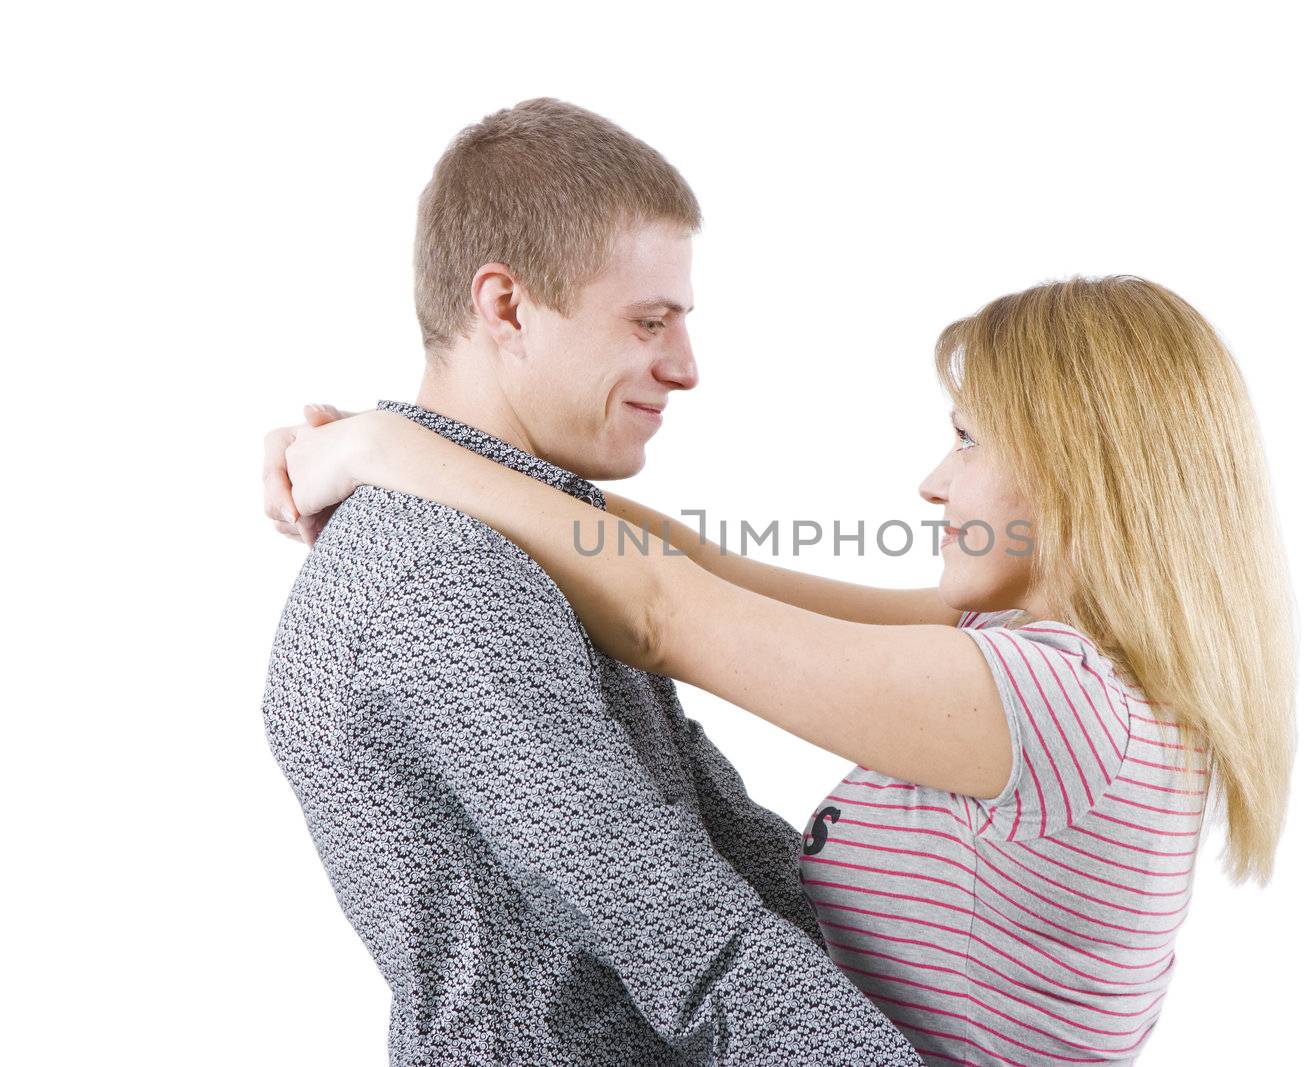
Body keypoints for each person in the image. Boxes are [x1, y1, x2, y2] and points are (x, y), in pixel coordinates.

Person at [263, 274, 1298, 1064]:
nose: (932, 483)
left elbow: (668, 615)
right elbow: (705, 567)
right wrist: (428, 450)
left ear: (1081, 468)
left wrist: (397, 454)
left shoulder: (1050, 706)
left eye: (966, 439)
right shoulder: (1091, 681)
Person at [258, 96, 923, 1066]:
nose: (685, 366)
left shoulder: (516, 535)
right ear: (506, 306)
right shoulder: (445, 576)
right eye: (649, 320)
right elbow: (683, 933)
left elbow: (713, 843)